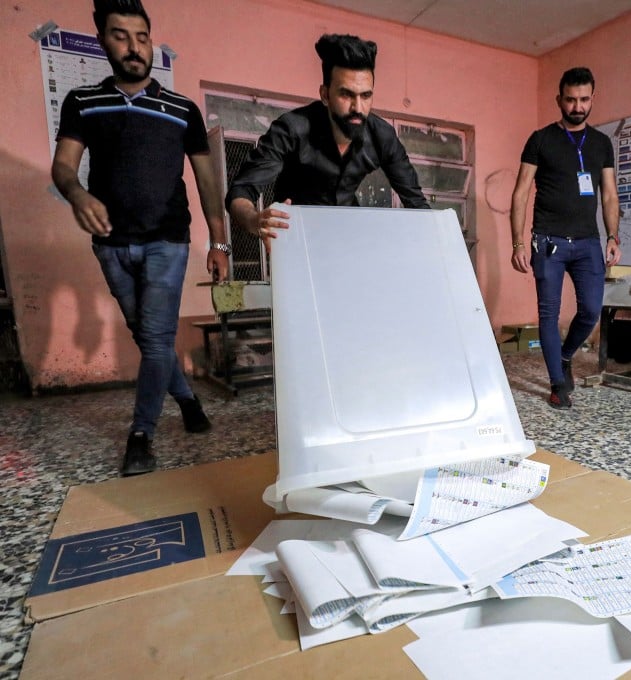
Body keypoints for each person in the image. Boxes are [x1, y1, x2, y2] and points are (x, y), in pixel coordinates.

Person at [51, 0, 229, 476]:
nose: (133, 47)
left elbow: (208, 181)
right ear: (103, 41)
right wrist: (75, 193)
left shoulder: (181, 109)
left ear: (152, 42)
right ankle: (190, 404)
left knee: (154, 340)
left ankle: (141, 434)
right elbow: (64, 166)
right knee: (148, 335)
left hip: (166, 240)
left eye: (142, 37)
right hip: (110, 243)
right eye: (121, 36)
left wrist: (219, 243)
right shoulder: (83, 102)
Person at [226, 34, 429, 243]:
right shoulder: (291, 129)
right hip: (297, 238)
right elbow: (241, 190)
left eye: (366, 96)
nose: (358, 108)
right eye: (346, 95)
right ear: (325, 94)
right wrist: (253, 220)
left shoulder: (382, 136)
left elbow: (417, 203)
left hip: (349, 237)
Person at [510, 67, 621, 409]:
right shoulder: (540, 139)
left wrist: (613, 235)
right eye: (570, 99)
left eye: (584, 99)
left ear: (592, 99)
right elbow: (520, 192)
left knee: (590, 311)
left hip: (588, 242)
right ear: (559, 99)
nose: (577, 106)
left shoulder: (601, 143)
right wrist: (517, 242)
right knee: (549, 314)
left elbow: (609, 195)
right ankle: (558, 384)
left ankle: (565, 356)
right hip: (548, 243)